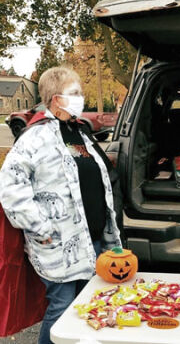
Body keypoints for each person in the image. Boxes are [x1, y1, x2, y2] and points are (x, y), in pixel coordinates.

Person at [0, 66, 121, 344]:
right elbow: (10, 188)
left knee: (87, 304)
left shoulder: (78, 133)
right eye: (75, 93)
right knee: (62, 307)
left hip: (91, 239)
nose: (81, 97)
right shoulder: (34, 138)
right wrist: (41, 227)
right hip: (58, 243)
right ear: (56, 99)